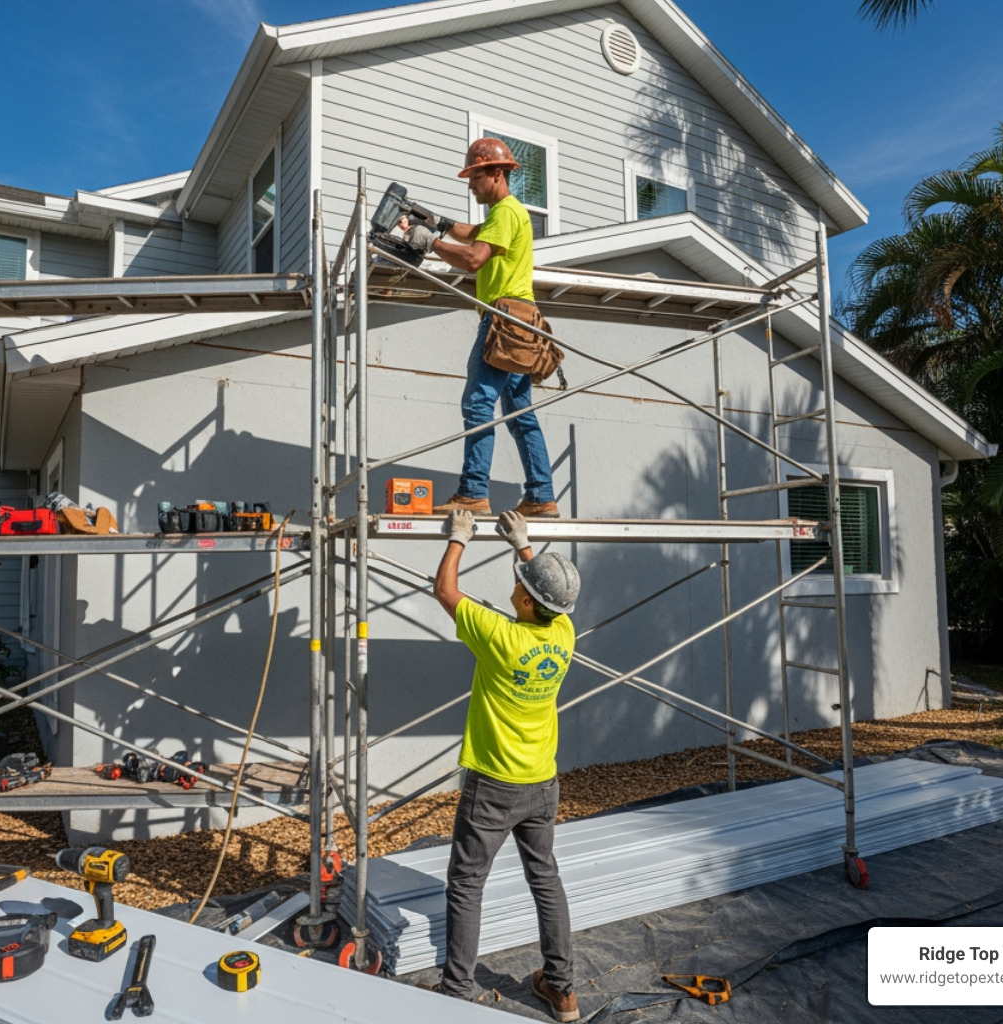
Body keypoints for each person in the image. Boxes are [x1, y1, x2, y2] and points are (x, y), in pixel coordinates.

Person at [431, 507, 581, 1021]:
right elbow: (549, 595)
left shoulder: (501, 637)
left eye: (521, 583)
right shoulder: (564, 633)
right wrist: (523, 544)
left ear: (525, 600)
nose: (515, 586)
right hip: (542, 781)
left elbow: (445, 591)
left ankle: (456, 993)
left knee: (467, 884)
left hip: (494, 786)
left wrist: (459, 537)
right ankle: (562, 990)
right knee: (545, 879)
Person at [407, 138, 559, 518]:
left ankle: (473, 492)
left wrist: (430, 242)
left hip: (503, 320)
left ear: (496, 173)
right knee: (519, 413)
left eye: (475, 177)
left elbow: (475, 258)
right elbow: (472, 233)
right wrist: (438, 223)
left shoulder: (505, 212)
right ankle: (541, 496)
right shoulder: (502, 216)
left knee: (478, 403)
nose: (471, 185)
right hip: (521, 321)